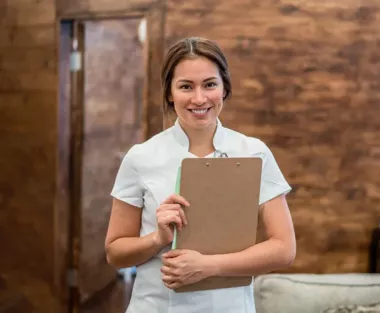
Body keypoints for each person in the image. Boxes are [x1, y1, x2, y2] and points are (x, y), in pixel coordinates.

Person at [105, 37, 296, 313]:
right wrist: (158, 238)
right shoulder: (141, 157)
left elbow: (284, 248)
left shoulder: (253, 152)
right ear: (170, 93)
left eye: (209, 84)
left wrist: (208, 266)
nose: (199, 98)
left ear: (224, 88)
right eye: (185, 86)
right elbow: (115, 252)